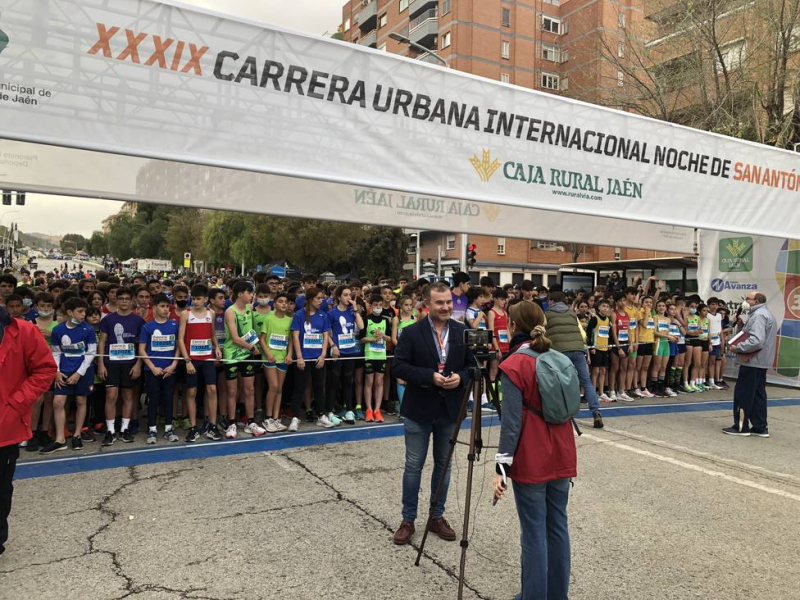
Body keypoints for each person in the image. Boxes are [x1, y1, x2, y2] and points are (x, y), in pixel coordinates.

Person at [493, 300, 577, 600]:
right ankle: (557, 595)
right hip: (562, 450)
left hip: (532, 456)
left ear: (513, 326)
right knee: (558, 527)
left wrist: (501, 469)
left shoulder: (514, 364)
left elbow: (511, 425)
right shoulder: (559, 358)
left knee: (533, 533)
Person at [391, 281, 473, 546]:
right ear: (426, 303)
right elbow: (398, 367)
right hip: (419, 409)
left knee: (444, 465)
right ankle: (408, 519)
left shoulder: (462, 331)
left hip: (450, 409)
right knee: (413, 466)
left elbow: (473, 366)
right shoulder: (411, 332)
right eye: (440, 302)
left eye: (448, 302)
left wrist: (461, 378)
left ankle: (436, 517)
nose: (446, 307)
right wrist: (429, 376)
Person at [0, 303, 57, 556]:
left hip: (4, 427)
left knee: (1, 490)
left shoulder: (23, 331)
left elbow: (45, 369)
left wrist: (16, 404)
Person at [46, 297, 98, 453]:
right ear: (69, 312)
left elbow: (91, 353)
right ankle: (60, 439)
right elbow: (56, 352)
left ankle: (77, 435)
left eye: (84, 311)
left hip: (83, 371)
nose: (84, 314)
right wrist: (56, 371)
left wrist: (79, 373)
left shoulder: (88, 329)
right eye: (80, 311)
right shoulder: (58, 330)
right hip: (64, 371)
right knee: (58, 402)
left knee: (81, 401)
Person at [545, 292, 604, 429]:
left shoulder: (547, 315)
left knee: (560, 382)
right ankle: (596, 412)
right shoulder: (572, 314)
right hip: (578, 349)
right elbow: (582, 334)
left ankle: (562, 412)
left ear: (552, 301)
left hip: (559, 352)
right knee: (586, 381)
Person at [725, 292, 777, 437]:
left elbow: (756, 340)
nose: (745, 301)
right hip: (761, 361)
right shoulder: (766, 313)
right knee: (758, 394)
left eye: (748, 298)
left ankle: (741, 427)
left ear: (756, 301)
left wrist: (738, 348)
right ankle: (760, 427)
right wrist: (742, 326)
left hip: (752, 360)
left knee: (744, 394)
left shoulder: (758, 315)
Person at [97, 288, 144, 445]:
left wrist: (138, 364)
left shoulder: (138, 320)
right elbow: (102, 342)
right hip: (111, 363)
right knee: (111, 395)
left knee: (128, 396)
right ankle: (110, 430)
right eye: (121, 298)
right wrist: (101, 363)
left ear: (132, 301)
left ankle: (125, 428)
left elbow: (141, 345)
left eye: (127, 299)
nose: (124, 301)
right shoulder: (108, 319)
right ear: (116, 300)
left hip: (130, 363)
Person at [139, 293, 182, 444]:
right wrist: (152, 367)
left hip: (170, 369)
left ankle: (169, 428)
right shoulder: (147, 326)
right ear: (154, 307)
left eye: (167, 307)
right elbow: (142, 350)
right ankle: (152, 429)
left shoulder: (174, 325)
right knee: (153, 398)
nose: (165, 309)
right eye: (162, 306)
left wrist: (173, 365)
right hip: (152, 370)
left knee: (168, 398)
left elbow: (178, 346)